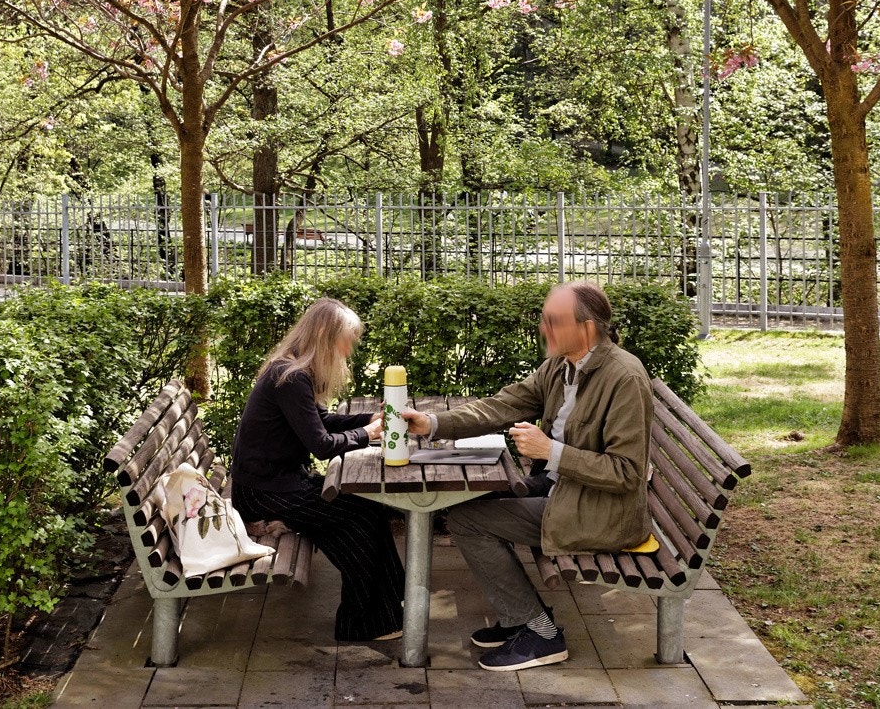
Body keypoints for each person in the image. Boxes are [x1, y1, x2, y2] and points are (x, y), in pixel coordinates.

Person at [400, 280, 652, 672]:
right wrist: (432, 423)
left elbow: (628, 473)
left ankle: (540, 632)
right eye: (543, 318)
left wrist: (550, 451)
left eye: (553, 320)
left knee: (467, 521)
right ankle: (519, 613)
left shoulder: (624, 378)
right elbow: (504, 405)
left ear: (586, 327)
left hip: (601, 512)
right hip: (563, 490)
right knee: (469, 500)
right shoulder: (561, 365)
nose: (543, 328)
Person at [230, 297, 405, 642]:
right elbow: (322, 444)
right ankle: (366, 619)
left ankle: (382, 608)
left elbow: (319, 421)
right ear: (327, 336)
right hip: (265, 494)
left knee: (358, 513)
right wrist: (367, 434)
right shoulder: (291, 377)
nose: (349, 349)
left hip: (275, 485)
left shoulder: (291, 370)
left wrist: (367, 420)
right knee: (361, 510)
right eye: (347, 339)